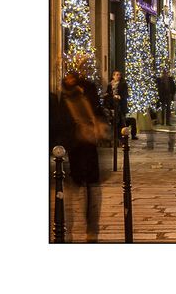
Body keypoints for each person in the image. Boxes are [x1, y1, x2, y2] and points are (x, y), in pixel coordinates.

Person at [58, 72, 107, 241]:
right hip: (74, 148)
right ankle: (67, 230)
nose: (70, 81)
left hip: (89, 145)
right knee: (74, 187)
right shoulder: (63, 100)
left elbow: (97, 111)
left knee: (91, 188)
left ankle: (91, 227)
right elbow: (60, 124)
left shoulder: (86, 93)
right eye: (68, 79)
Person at [105, 70, 136, 139]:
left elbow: (125, 94)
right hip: (112, 105)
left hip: (121, 105)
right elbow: (108, 93)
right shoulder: (110, 85)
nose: (119, 76)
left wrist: (120, 96)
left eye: (119, 75)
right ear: (113, 76)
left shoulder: (123, 84)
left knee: (122, 120)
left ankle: (123, 135)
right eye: (117, 75)